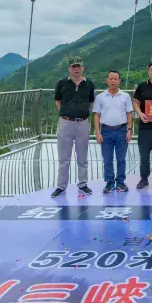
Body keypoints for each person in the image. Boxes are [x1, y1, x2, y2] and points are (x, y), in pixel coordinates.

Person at [52, 56, 95, 198]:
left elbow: (91, 102)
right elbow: (57, 100)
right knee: (64, 157)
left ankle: (83, 184)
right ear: (69, 69)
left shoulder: (89, 84)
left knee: (82, 156)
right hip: (65, 123)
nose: (76, 69)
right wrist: (64, 114)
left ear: (82, 68)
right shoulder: (61, 83)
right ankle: (61, 186)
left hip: (83, 123)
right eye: (73, 67)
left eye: (78, 66)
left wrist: (83, 113)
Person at [94, 70, 133, 194]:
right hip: (105, 130)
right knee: (107, 159)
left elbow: (129, 114)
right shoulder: (100, 97)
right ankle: (109, 182)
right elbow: (96, 115)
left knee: (121, 158)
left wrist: (129, 130)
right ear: (106, 80)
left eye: (115, 79)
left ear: (119, 81)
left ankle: (120, 182)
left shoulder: (125, 96)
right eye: (110, 78)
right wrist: (98, 133)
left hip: (122, 130)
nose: (113, 81)